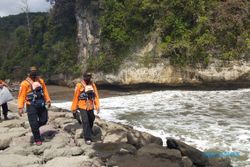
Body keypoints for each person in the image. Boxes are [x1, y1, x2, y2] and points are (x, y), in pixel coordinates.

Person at [18, 66, 51, 145]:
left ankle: (35, 128)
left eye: (35, 72)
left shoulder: (40, 81)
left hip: (41, 103)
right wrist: (20, 107)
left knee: (44, 120)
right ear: (28, 73)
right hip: (31, 105)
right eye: (32, 72)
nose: (33, 73)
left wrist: (48, 100)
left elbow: (45, 91)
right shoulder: (24, 83)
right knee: (33, 123)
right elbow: (21, 96)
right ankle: (37, 139)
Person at [71, 72, 100, 145]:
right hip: (82, 106)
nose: (88, 77)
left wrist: (97, 106)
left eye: (90, 76)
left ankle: (88, 130)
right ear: (83, 77)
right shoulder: (79, 85)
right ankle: (87, 138)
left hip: (90, 105)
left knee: (92, 118)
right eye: (87, 76)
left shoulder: (92, 85)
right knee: (85, 121)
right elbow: (75, 97)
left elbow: (95, 96)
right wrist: (74, 109)